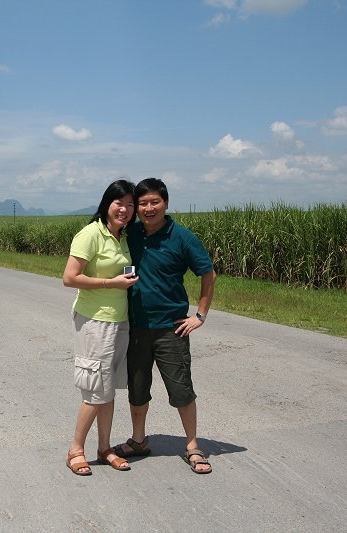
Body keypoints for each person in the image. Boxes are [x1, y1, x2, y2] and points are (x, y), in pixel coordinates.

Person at [115, 177, 216, 474]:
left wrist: (199, 315)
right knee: (137, 388)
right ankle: (138, 440)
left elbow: (208, 274)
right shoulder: (129, 233)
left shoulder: (182, 237)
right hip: (135, 327)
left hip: (171, 328)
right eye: (142, 203)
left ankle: (193, 445)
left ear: (166, 203)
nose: (148, 208)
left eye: (154, 202)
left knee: (181, 389)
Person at [62, 179, 139, 476]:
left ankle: (104, 447)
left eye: (131, 205)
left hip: (119, 320)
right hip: (94, 321)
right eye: (120, 203)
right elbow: (69, 278)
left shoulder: (121, 236)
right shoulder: (90, 234)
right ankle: (75, 449)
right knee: (95, 389)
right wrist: (111, 282)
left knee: (108, 389)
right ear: (107, 203)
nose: (126, 209)